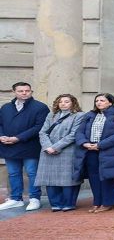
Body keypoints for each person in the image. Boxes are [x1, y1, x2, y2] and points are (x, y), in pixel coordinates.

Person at [73, 93, 114, 212]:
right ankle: (97, 201)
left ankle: (108, 202)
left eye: (102, 100)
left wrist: (100, 145)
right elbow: (79, 132)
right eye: (97, 100)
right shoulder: (89, 115)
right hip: (90, 150)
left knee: (108, 176)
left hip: (109, 150)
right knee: (94, 177)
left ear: (110, 102)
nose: (98, 102)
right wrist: (84, 143)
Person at [0, 82, 49, 211]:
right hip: (8, 145)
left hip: (30, 146)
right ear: (14, 92)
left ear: (31, 91)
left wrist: (18, 138)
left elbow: (39, 127)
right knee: (13, 173)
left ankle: (34, 198)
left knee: (32, 173)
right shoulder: (5, 107)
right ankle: (16, 199)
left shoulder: (40, 107)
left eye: (27, 90)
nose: (24, 93)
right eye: (21, 91)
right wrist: (1, 136)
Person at [35, 94, 84, 212]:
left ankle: (69, 203)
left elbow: (73, 134)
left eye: (66, 101)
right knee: (50, 178)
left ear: (73, 103)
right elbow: (42, 132)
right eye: (60, 102)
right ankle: (55, 203)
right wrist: (47, 146)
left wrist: (56, 147)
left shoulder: (79, 116)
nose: (63, 104)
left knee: (67, 179)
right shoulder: (51, 115)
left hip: (67, 151)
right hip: (48, 150)